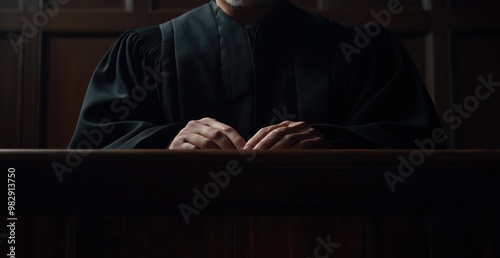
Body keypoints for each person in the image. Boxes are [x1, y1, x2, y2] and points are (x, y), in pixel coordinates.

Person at [69, 0, 446, 150]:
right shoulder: (144, 53)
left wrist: (331, 144)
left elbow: (423, 151)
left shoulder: (362, 52)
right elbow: (87, 155)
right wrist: (167, 143)